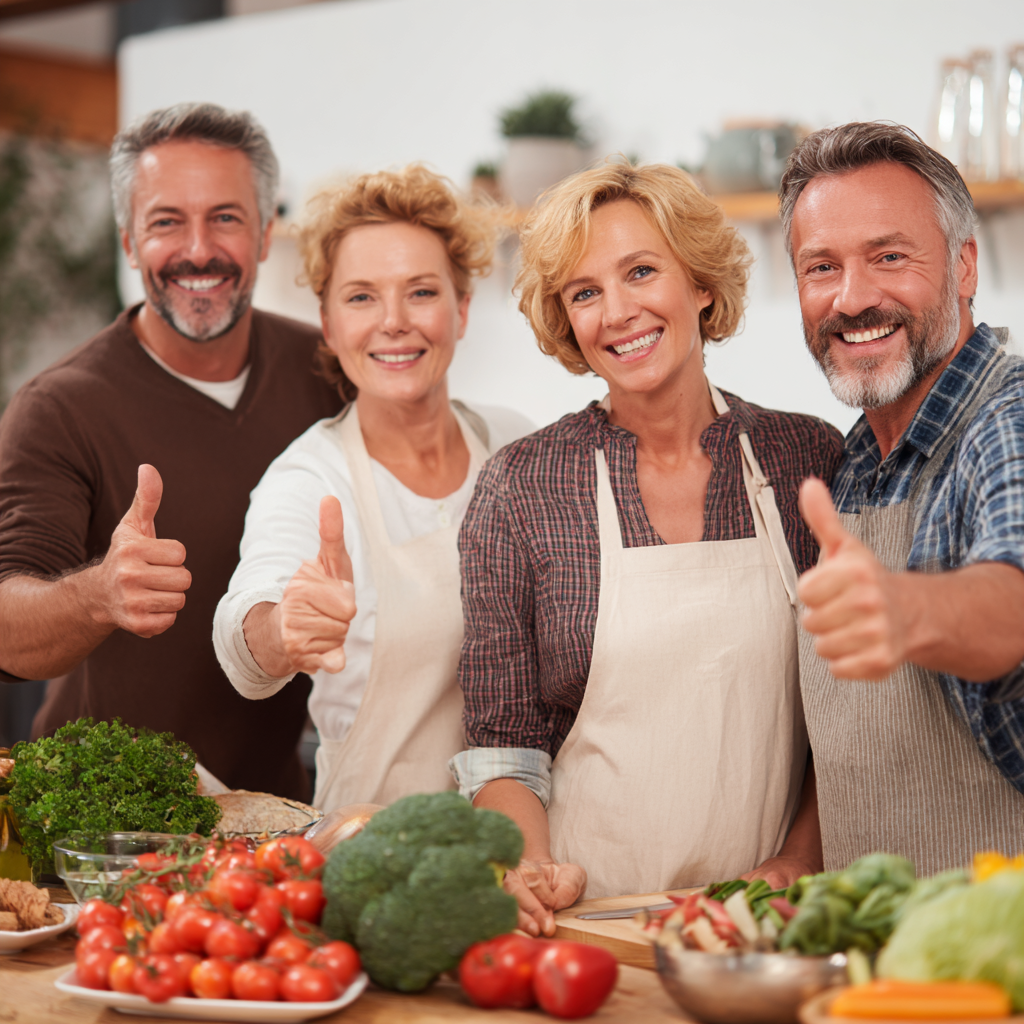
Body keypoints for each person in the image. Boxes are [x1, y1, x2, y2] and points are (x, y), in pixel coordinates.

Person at [452, 161, 844, 935]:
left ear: (698, 282)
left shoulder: (807, 459)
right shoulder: (523, 486)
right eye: (584, 293)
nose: (618, 312)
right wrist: (528, 867)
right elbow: (504, 746)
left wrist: (799, 860)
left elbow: (852, 716)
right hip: (588, 923)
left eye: (640, 272)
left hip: (762, 923)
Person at [0, 103, 343, 800]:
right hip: (96, 819)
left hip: (271, 813)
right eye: (166, 222)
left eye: (225, 217)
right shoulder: (58, 407)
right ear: (129, 242)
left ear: (265, 234)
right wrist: (98, 594)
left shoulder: (328, 371)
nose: (198, 250)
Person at [213, 166, 532, 812]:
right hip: (371, 850)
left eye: (421, 292)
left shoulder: (515, 447)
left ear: (461, 308)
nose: (394, 322)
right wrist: (283, 628)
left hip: (525, 842)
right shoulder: (310, 479)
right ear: (328, 324)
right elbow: (245, 638)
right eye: (361, 297)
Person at [783, 122, 1024, 874]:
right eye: (822, 267)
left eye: (889, 257)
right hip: (877, 934)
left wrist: (904, 609)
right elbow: (861, 745)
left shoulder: (1009, 421)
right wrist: (797, 860)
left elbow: (1012, 600)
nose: (852, 298)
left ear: (963, 266)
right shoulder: (852, 462)